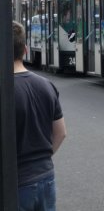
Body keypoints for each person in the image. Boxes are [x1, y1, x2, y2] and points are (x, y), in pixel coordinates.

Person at [13, 21, 67, 211]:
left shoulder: (5, 89)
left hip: (17, 182)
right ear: (25, 50)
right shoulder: (46, 85)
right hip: (46, 176)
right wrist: (43, 158)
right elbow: (61, 133)